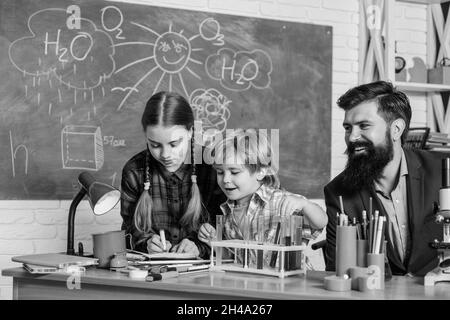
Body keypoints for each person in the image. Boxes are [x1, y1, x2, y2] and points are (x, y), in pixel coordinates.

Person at [324, 80, 447, 276]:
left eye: (364, 126)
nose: (352, 137)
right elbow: (337, 271)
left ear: (396, 129)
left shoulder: (444, 171)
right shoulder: (337, 192)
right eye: (348, 128)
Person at [198, 129, 328, 266]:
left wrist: (305, 205)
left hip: (291, 283)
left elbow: (321, 222)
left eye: (234, 172)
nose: (225, 179)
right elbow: (234, 257)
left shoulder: (280, 201)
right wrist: (214, 242)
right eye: (220, 172)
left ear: (261, 172)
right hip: (255, 284)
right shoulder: (228, 211)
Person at [120, 91, 226, 259]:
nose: (165, 154)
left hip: (205, 274)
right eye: (155, 145)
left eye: (174, 144)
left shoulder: (214, 167)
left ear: (191, 132)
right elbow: (130, 229)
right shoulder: (134, 171)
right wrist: (146, 243)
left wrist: (199, 248)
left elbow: (228, 228)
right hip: (153, 274)